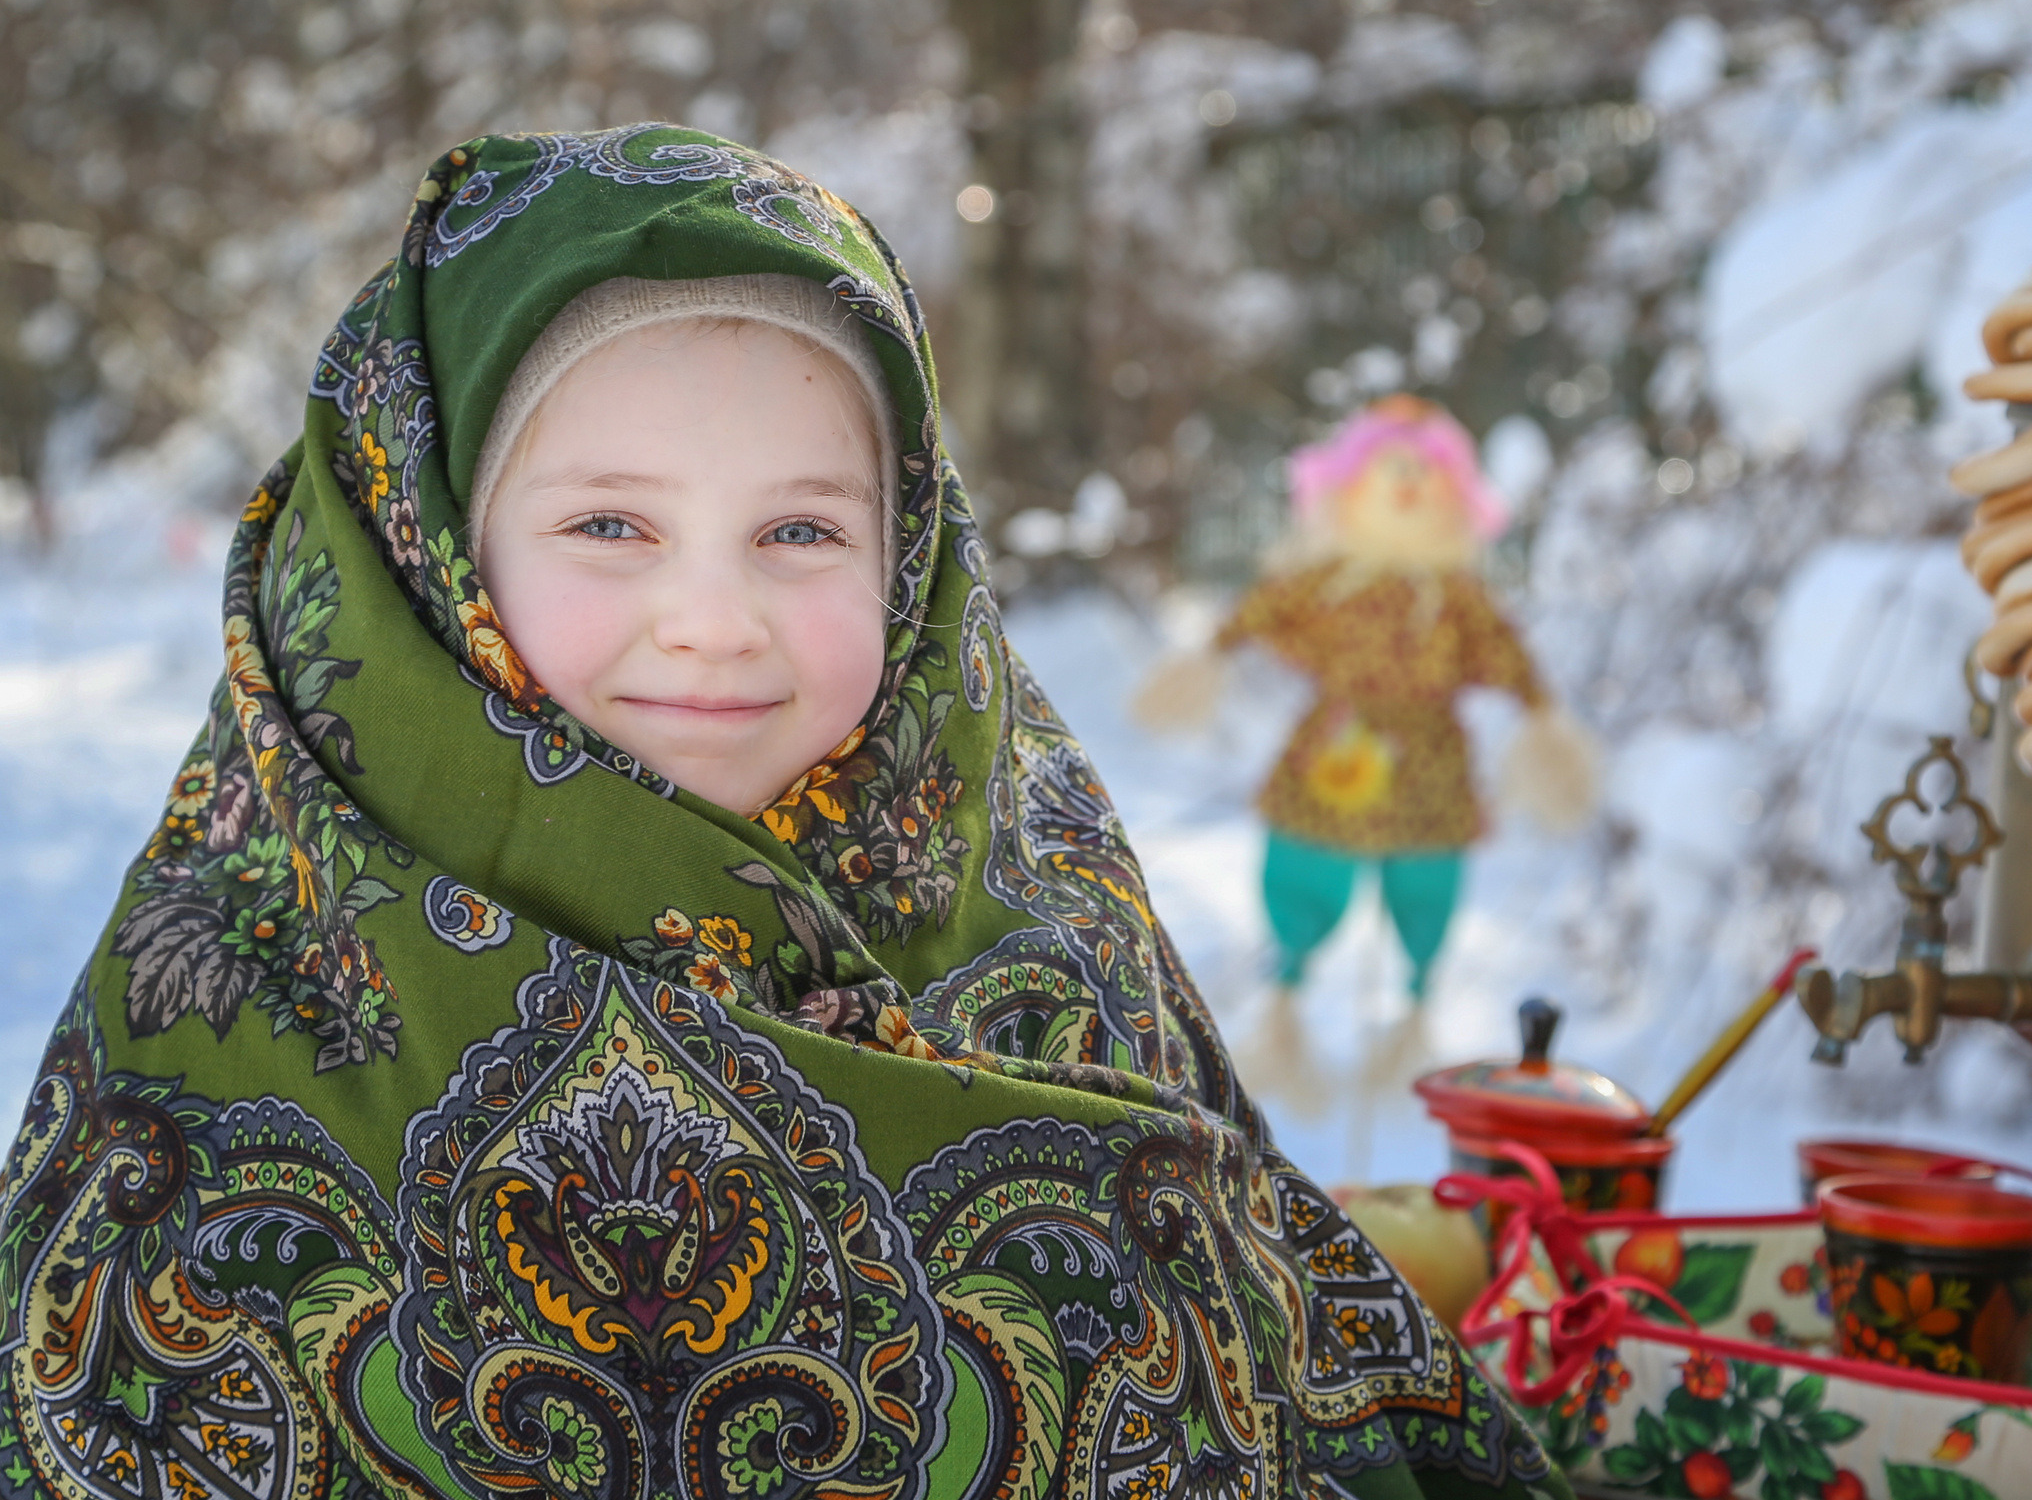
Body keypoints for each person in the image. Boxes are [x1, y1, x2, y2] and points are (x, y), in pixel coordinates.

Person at [0, 126, 1564, 1500]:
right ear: (427, 555)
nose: (713, 618)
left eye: (802, 528)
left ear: (909, 553)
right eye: (609, 523)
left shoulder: (1040, 916)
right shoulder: (231, 1025)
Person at [1135, 399, 1594, 1024]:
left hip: (1429, 764)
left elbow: (1503, 651)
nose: (1405, 484)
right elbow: (1265, 608)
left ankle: (1416, 997)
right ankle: (1288, 991)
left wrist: (1540, 716)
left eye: (1423, 470)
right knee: (1306, 861)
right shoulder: (1326, 579)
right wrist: (1211, 653)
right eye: (1388, 468)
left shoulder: (1459, 597)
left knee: (1426, 880)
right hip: (1335, 748)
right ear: (1345, 488)